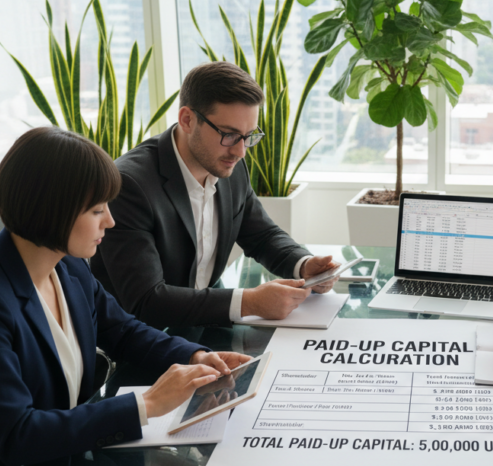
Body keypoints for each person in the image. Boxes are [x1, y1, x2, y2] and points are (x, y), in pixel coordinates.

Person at [0, 127, 250, 466]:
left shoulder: (67, 267)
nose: (111, 219)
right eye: (96, 210)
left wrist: (192, 356)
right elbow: (18, 435)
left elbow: (123, 331)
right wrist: (148, 405)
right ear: (53, 212)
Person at [91, 61, 339, 330]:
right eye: (230, 135)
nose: (241, 151)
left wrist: (303, 265)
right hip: (141, 341)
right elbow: (146, 301)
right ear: (187, 119)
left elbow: (262, 235)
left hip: (203, 327)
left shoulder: (229, 164)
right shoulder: (130, 185)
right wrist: (249, 302)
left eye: (248, 136)